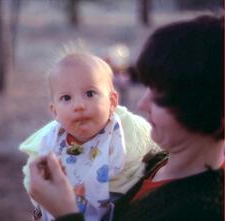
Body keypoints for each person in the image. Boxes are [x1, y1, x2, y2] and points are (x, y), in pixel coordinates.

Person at [28, 15, 224, 221]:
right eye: (148, 87)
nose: (142, 104)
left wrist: (64, 213)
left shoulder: (203, 211)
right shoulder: (151, 161)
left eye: (161, 98)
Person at [19, 51, 160, 221]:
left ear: (112, 101)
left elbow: (154, 147)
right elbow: (34, 181)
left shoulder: (125, 130)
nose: (79, 105)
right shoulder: (50, 140)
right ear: (54, 111)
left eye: (90, 94)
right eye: (66, 98)